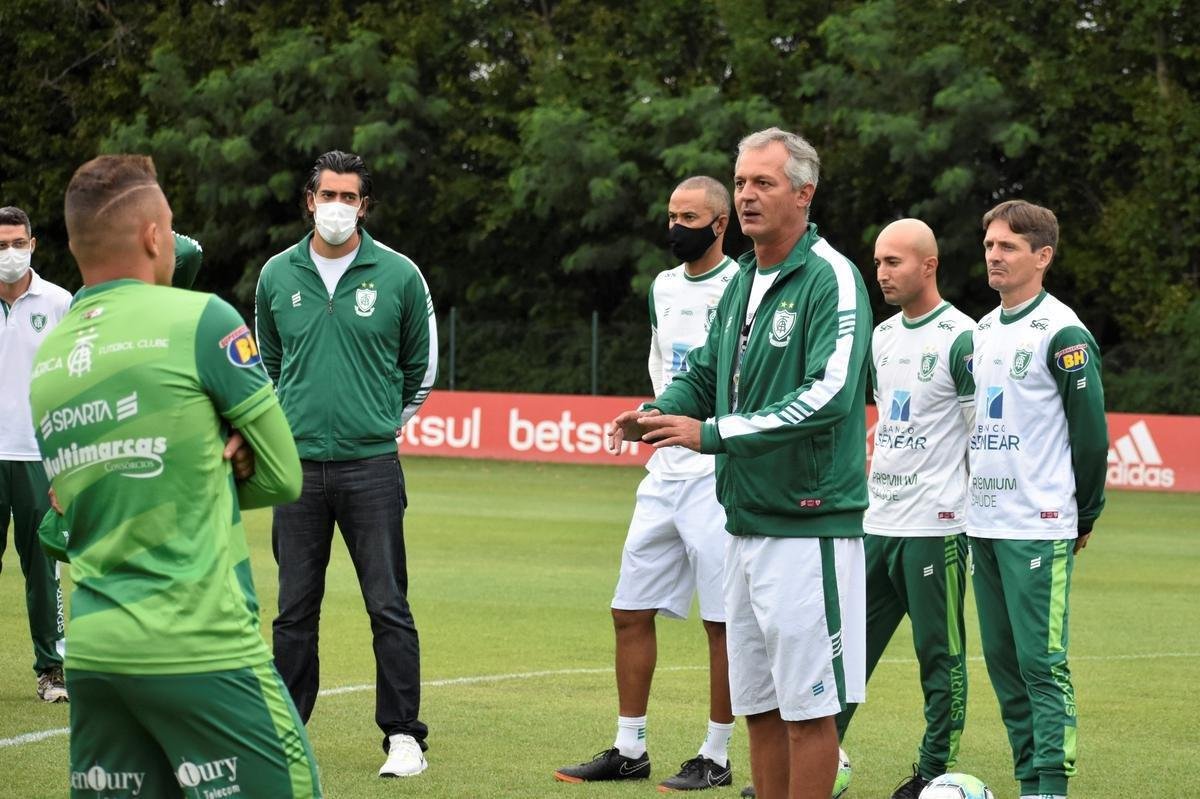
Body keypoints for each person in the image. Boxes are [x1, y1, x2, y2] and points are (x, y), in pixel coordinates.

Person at [28, 154, 321, 797]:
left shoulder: (50, 356)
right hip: (201, 644)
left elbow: (61, 524)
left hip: (97, 657)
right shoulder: (202, 320)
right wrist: (210, 463)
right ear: (156, 237)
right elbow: (284, 476)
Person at [610, 127, 870, 799]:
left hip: (808, 525)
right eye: (743, 181)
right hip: (744, 521)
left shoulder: (829, 277)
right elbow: (702, 370)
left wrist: (714, 433)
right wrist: (659, 412)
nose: (748, 194)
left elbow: (831, 395)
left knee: (809, 712)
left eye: (764, 183)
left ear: (803, 194)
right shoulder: (744, 280)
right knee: (760, 705)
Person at [255, 149, 438, 778]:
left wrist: (382, 425)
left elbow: (422, 369)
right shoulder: (277, 275)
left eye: (349, 197)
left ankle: (404, 736)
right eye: (327, 195)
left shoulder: (399, 275)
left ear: (364, 205)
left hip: (371, 468)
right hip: (296, 469)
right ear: (310, 199)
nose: (337, 207)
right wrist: (287, 427)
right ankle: (285, 732)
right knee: (292, 611)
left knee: (388, 604)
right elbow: (269, 366)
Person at [555, 176, 740, 791]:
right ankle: (629, 747)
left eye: (689, 216)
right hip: (664, 470)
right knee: (628, 609)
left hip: (717, 469)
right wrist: (647, 413)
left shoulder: (744, 284)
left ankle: (716, 753)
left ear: (720, 224)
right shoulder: (662, 286)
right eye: (670, 214)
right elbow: (668, 371)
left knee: (722, 622)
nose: (675, 226)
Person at [968, 200, 1106, 799]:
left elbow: (1091, 432)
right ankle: (1028, 779)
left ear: (1042, 257)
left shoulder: (1063, 331)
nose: (994, 254)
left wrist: (1084, 513)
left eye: (1009, 246)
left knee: (1041, 664)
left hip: (1039, 523)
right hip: (984, 523)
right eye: (990, 244)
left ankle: (1051, 785)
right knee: (1003, 665)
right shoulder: (981, 330)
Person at [832, 219, 974, 799]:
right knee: (839, 656)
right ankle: (814, 764)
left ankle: (931, 773)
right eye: (879, 261)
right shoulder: (882, 337)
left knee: (938, 658)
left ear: (929, 265)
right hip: (876, 522)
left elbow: (980, 435)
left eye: (895, 262)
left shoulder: (963, 338)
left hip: (934, 527)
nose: (882, 273)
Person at [0, 205, 71, 703]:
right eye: (1, 245)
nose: (10, 253)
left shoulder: (61, 302)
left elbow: (73, 384)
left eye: (17, 243)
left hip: (38, 457)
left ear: (32, 244)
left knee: (43, 572)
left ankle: (52, 671)